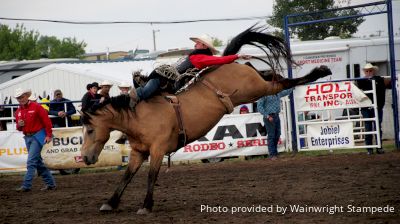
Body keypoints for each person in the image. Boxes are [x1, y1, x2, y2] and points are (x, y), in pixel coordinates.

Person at [130, 34, 251, 105]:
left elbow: (220, 60)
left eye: (197, 43)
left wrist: (237, 56)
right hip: (167, 79)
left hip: (166, 80)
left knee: (144, 92)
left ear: (204, 46)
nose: (195, 45)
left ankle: (129, 101)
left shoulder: (201, 58)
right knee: (146, 90)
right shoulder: (196, 56)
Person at [14, 88, 56, 192]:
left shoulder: (37, 107)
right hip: (28, 137)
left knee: (31, 161)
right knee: (37, 162)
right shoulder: (18, 111)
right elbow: (18, 128)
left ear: (26, 96)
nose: (21, 99)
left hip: (37, 136)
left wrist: (49, 135)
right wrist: (19, 125)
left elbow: (47, 122)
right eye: (19, 98)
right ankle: (50, 184)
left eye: (22, 97)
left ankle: (26, 185)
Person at [356, 63, 387, 155]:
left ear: (373, 71)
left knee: (377, 126)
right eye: (367, 71)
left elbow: (382, 93)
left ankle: (378, 147)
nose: (368, 72)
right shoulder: (361, 81)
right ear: (365, 72)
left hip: (377, 107)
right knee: (368, 127)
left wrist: (380, 105)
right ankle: (369, 149)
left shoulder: (379, 80)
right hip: (366, 107)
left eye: (370, 70)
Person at [257, 88, 293, 160]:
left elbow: (286, 92)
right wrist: (267, 115)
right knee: (272, 135)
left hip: (276, 115)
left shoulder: (277, 93)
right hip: (269, 116)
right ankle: (272, 154)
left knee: (277, 134)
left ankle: (274, 153)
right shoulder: (265, 94)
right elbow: (259, 106)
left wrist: (293, 86)